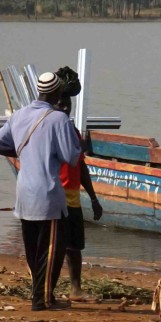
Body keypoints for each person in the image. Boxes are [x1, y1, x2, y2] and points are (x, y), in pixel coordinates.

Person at [0, 72, 82, 312]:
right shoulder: (58, 119)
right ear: (56, 93)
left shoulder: (19, 115)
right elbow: (71, 157)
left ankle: (40, 295)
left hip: (24, 191)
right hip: (48, 193)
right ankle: (43, 300)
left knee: (32, 249)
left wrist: (23, 154)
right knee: (51, 250)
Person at [55, 93, 103, 301]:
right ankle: (46, 290)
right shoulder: (52, 129)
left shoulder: (72, 131)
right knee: (56, 247)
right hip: (55, 196)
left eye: (68, 104)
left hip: (73, 197)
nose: (65, 109)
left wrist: (93, 198)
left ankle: (76, 290)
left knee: (75, 246)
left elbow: (81, 165)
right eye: (61, 104)